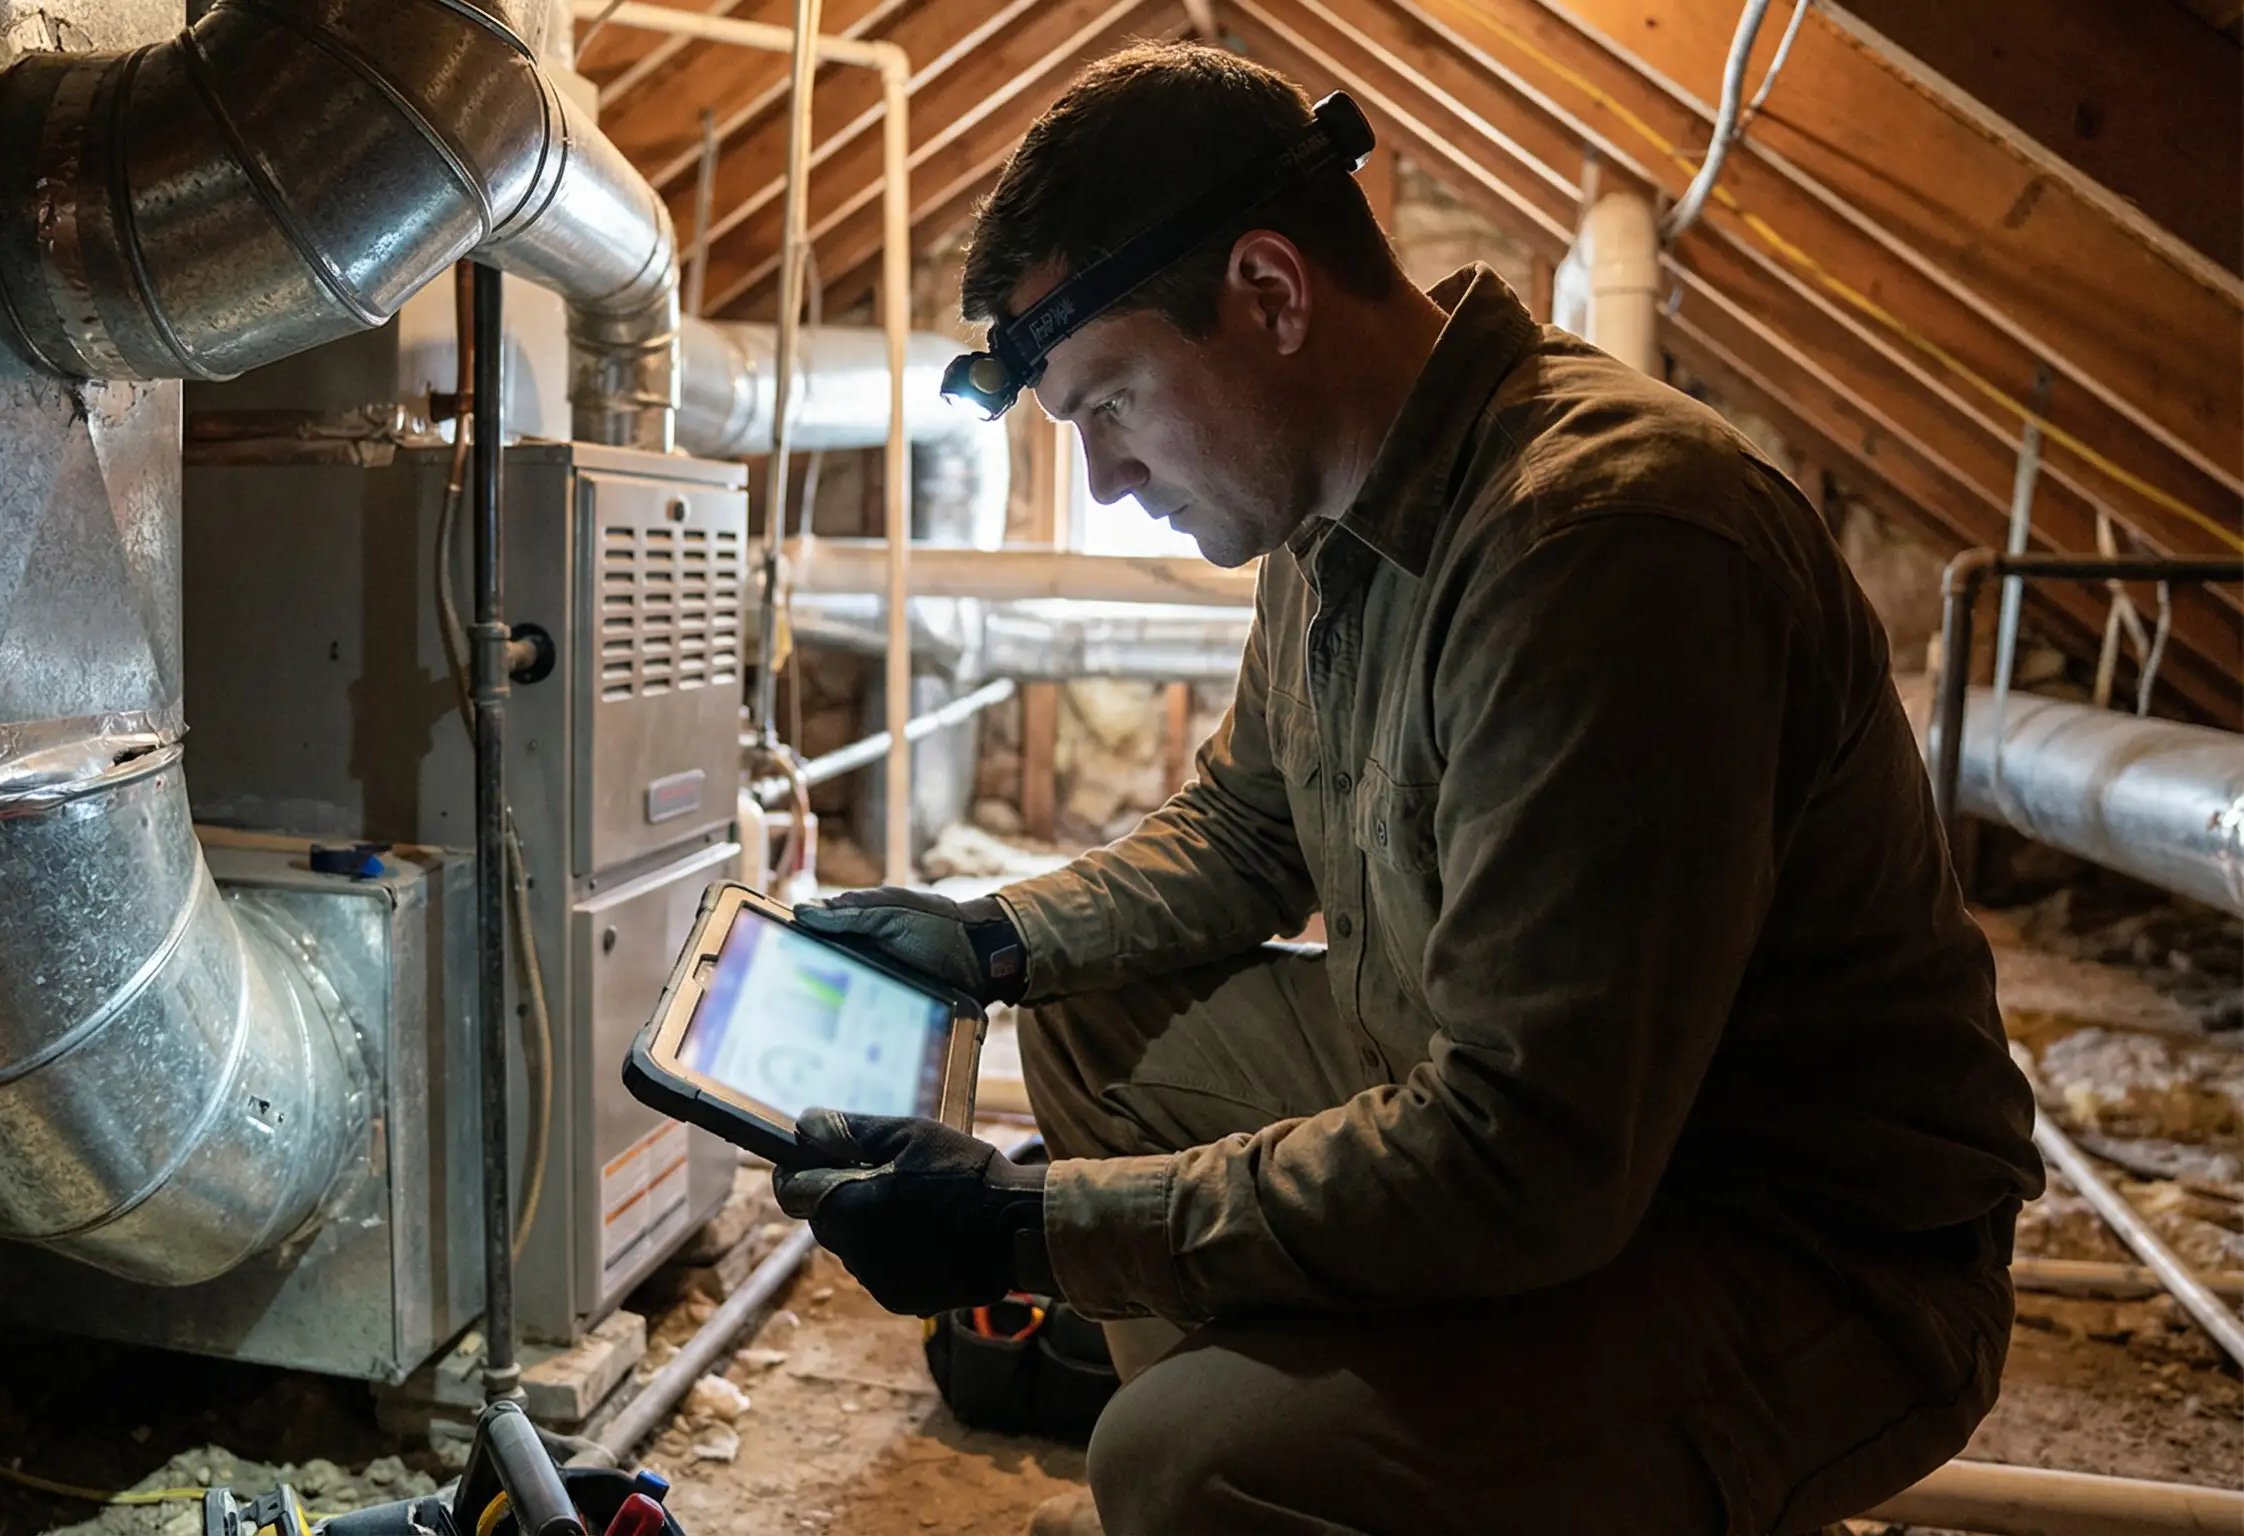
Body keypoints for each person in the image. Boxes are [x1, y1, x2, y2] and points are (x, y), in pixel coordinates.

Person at [771, 42, 2043, 1536]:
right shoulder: (1325, 505)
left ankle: (1334, 1462)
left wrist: (1029, 1227)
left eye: (1110, 402)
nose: (1105, 476)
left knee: (1191, 1462)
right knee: (1090, 1002)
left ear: (1269, 293)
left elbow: (1522, 1162)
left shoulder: (1603, 548)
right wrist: (988, 939)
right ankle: (1408, 1440)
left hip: (1795, 1244)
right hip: (1551, 1137)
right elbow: (1247, 831)